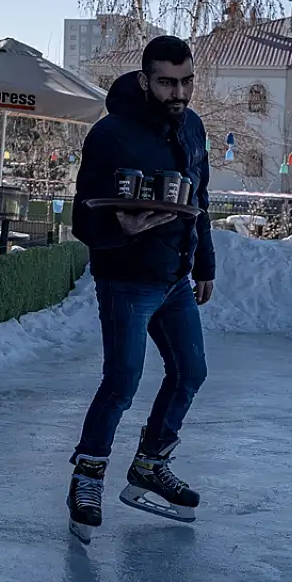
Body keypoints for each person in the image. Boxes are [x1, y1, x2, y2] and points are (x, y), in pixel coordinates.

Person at [66, 35, 215, 544]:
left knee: (191, 371)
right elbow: (82, 216)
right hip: (125, 278)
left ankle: (150, 464)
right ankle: (87, 479)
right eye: (169, 82)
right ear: (145, 80)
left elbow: (203, 199)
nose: (180, 92)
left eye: (187, 81)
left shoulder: (192, 127)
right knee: (122, 381)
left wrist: (204, 265)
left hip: (174, 277)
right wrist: (119, 232)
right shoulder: (111, 135)